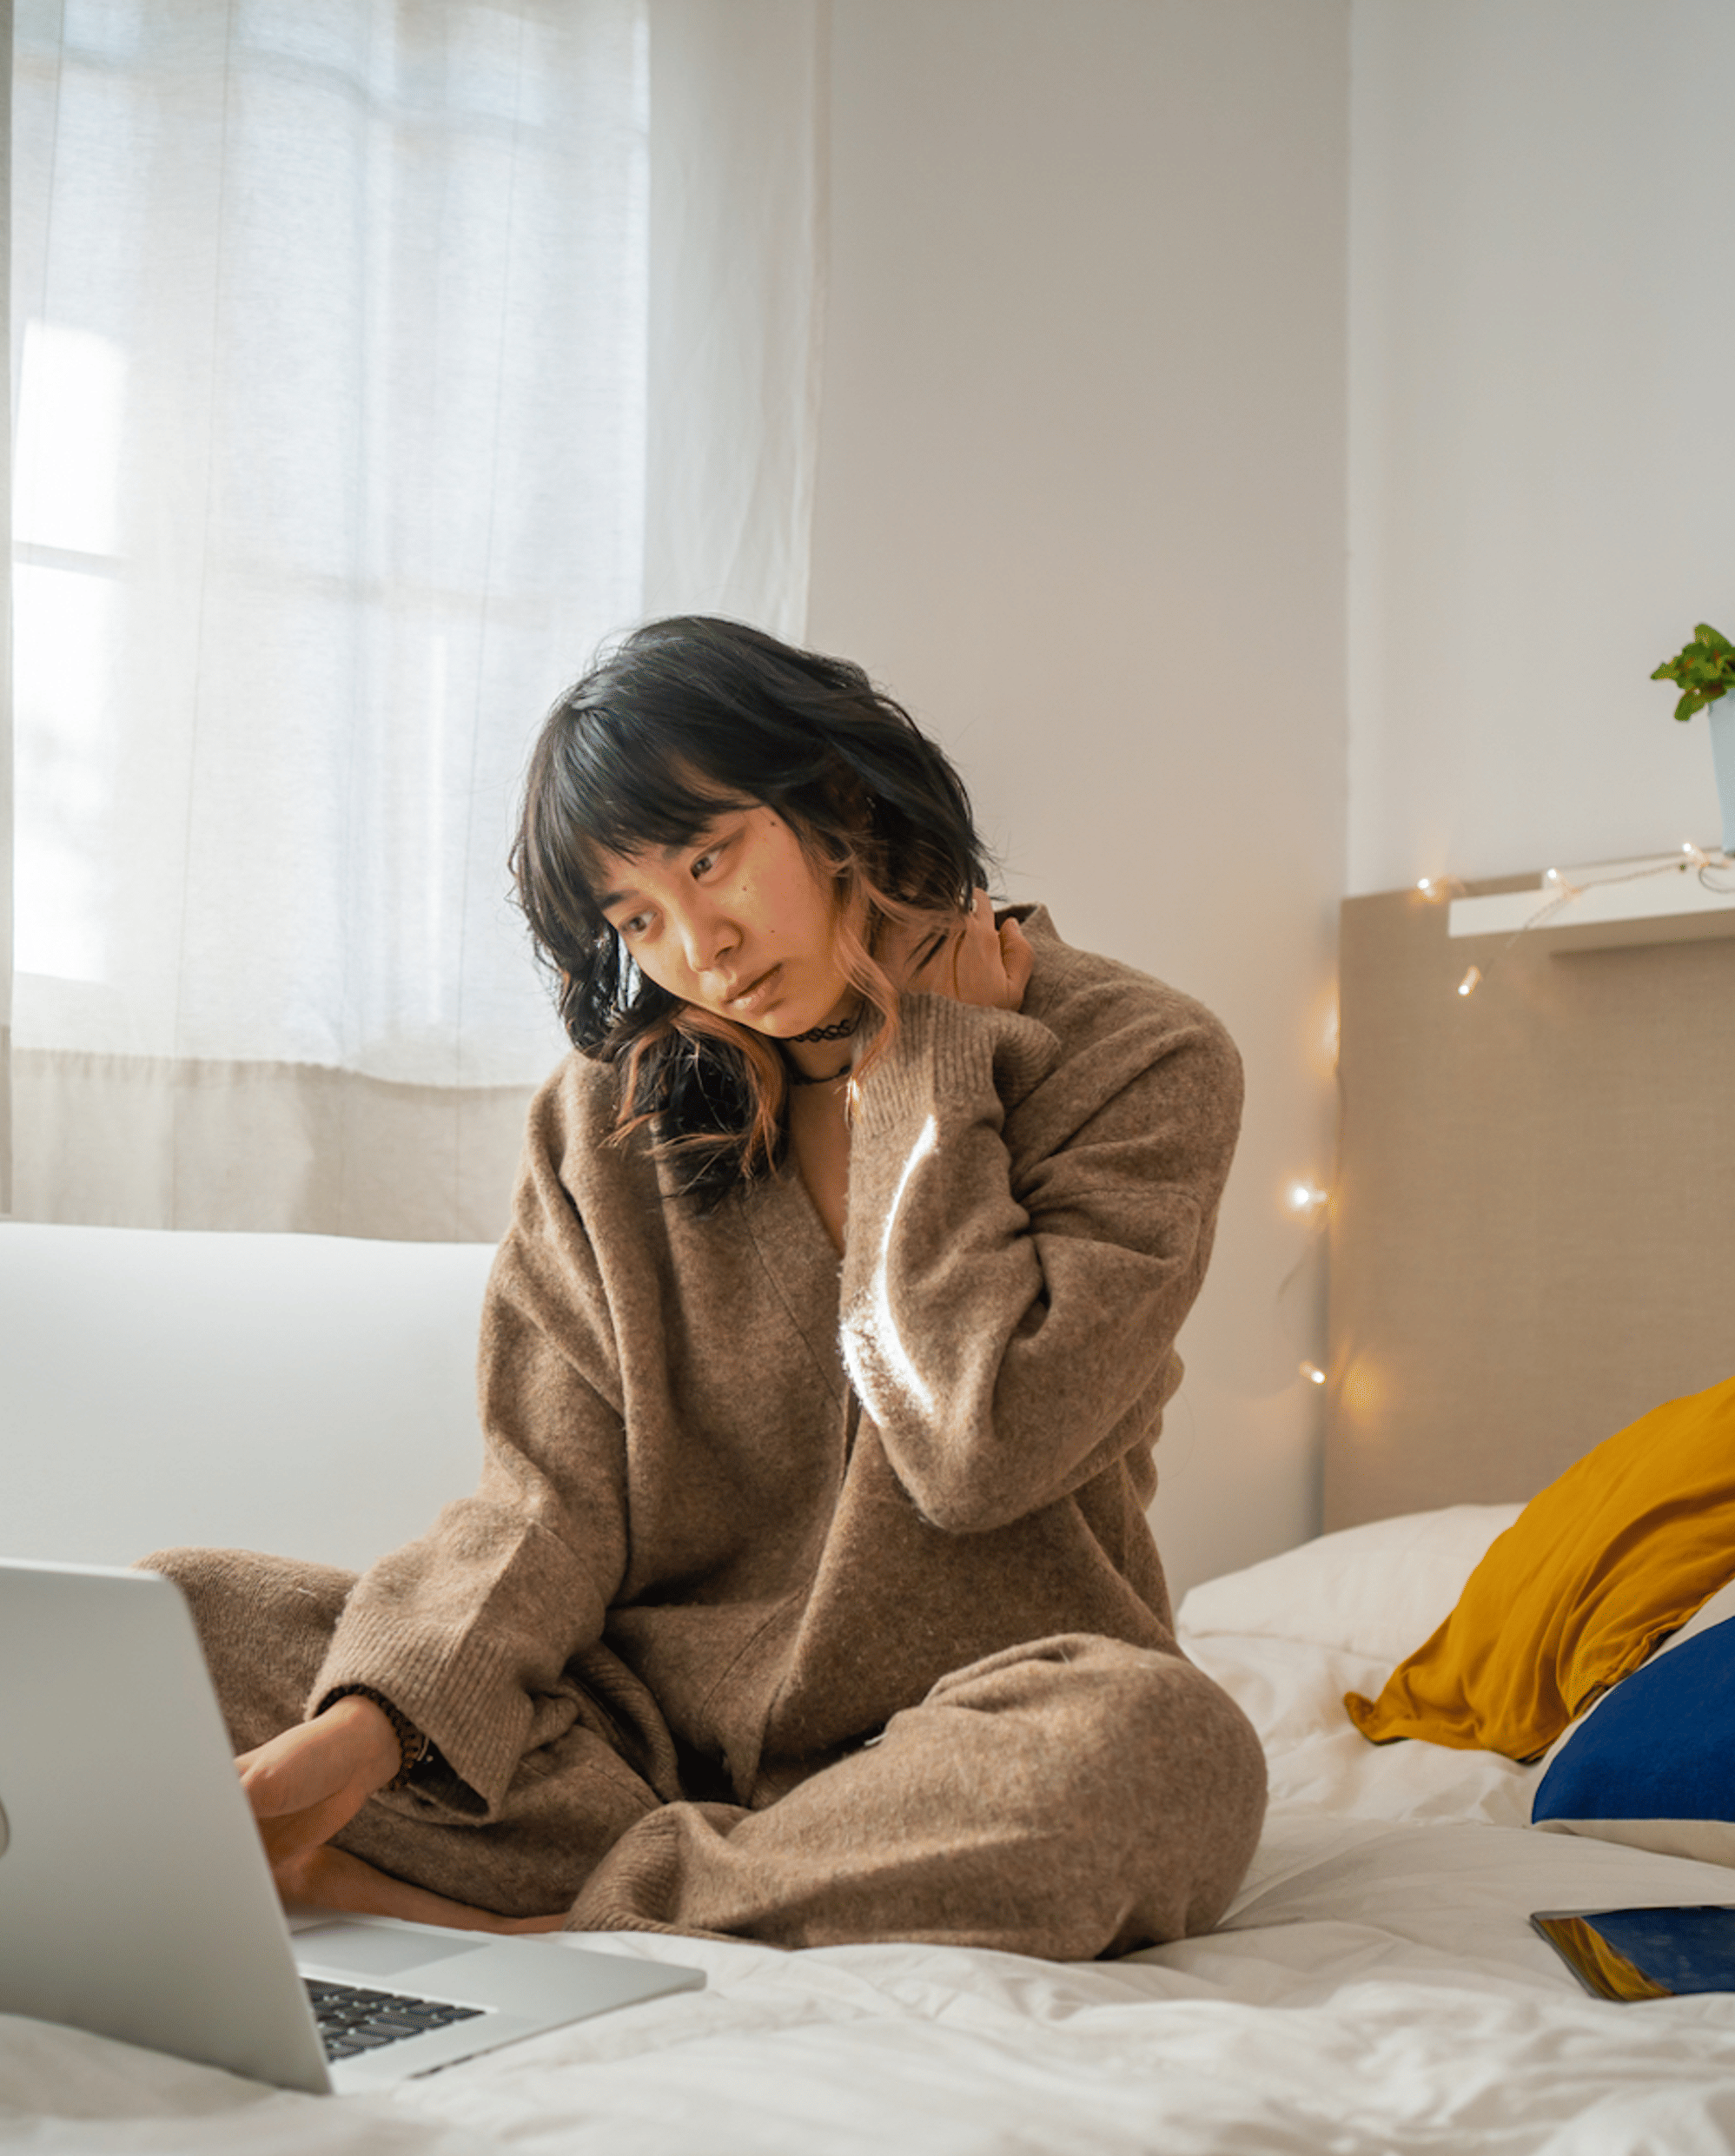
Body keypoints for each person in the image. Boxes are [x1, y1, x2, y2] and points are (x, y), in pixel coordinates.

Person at [146, 616, 1266, 1956]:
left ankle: (577, 1920)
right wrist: (370, 1730)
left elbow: (981, 1450)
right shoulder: (602, 1125)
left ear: (836, 795)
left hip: (979, 1728)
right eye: (639, 918)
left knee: (1164, 1752)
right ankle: (751, 1886)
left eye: (710, 858)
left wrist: (928, 1067)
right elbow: (551, 1503)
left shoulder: (1139, 1062)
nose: (702, 948)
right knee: (173, 1618)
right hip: (636, 1747)